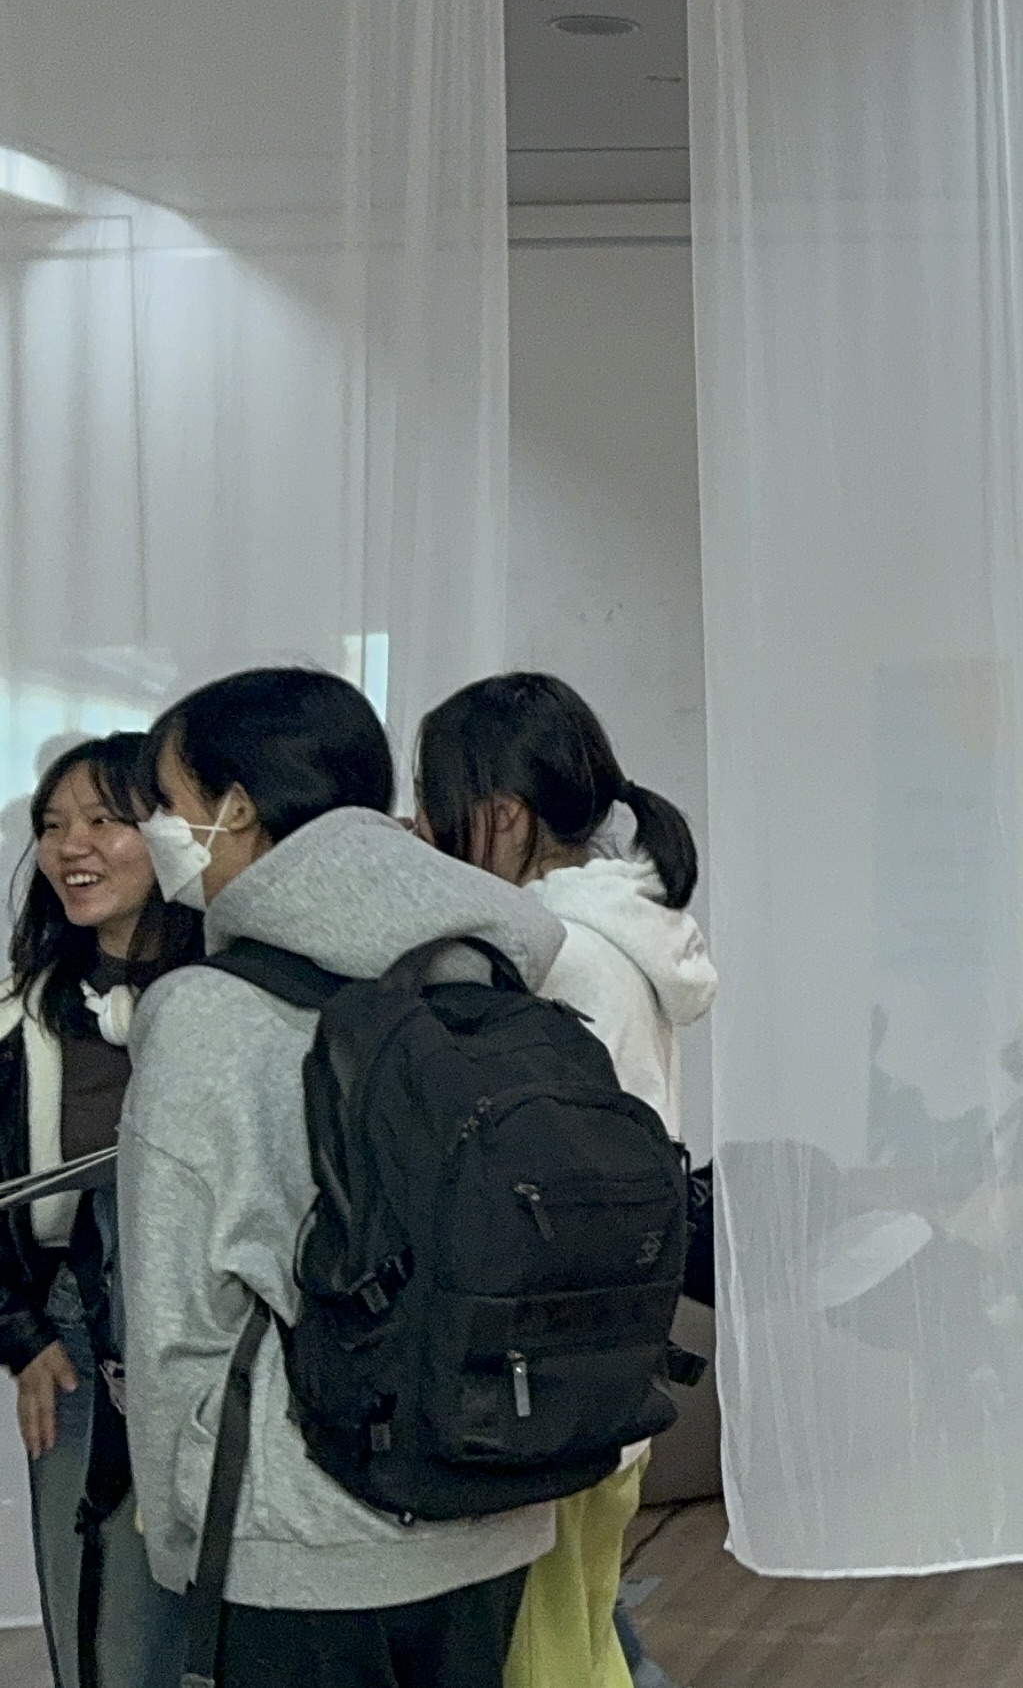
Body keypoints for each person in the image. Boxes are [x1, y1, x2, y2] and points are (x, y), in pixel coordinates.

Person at [123, 669, 566, 1683]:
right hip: (492, 1498)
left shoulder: (205, 1012)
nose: (159, 829)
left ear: (237, 808)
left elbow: (175, 1318)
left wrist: (187, 1534)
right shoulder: (484, 969)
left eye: (169, 801)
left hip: (300, 1541)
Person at [415, 675, 716, 1688]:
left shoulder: (547, 952)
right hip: (606, 1354)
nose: (423, 826)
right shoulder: (624, 933)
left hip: (540, 1369)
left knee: (545, 1655)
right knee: (583, 1639)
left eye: (434, 799)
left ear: (502, 815)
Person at [7, 737, 200, 1688]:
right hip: (81, 1347)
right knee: (109, 1636)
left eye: (101, 820)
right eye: (52, 826)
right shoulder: (25, 1014)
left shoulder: (236, 995)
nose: (69, 846)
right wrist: (21, 1332)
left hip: (223, 1351)